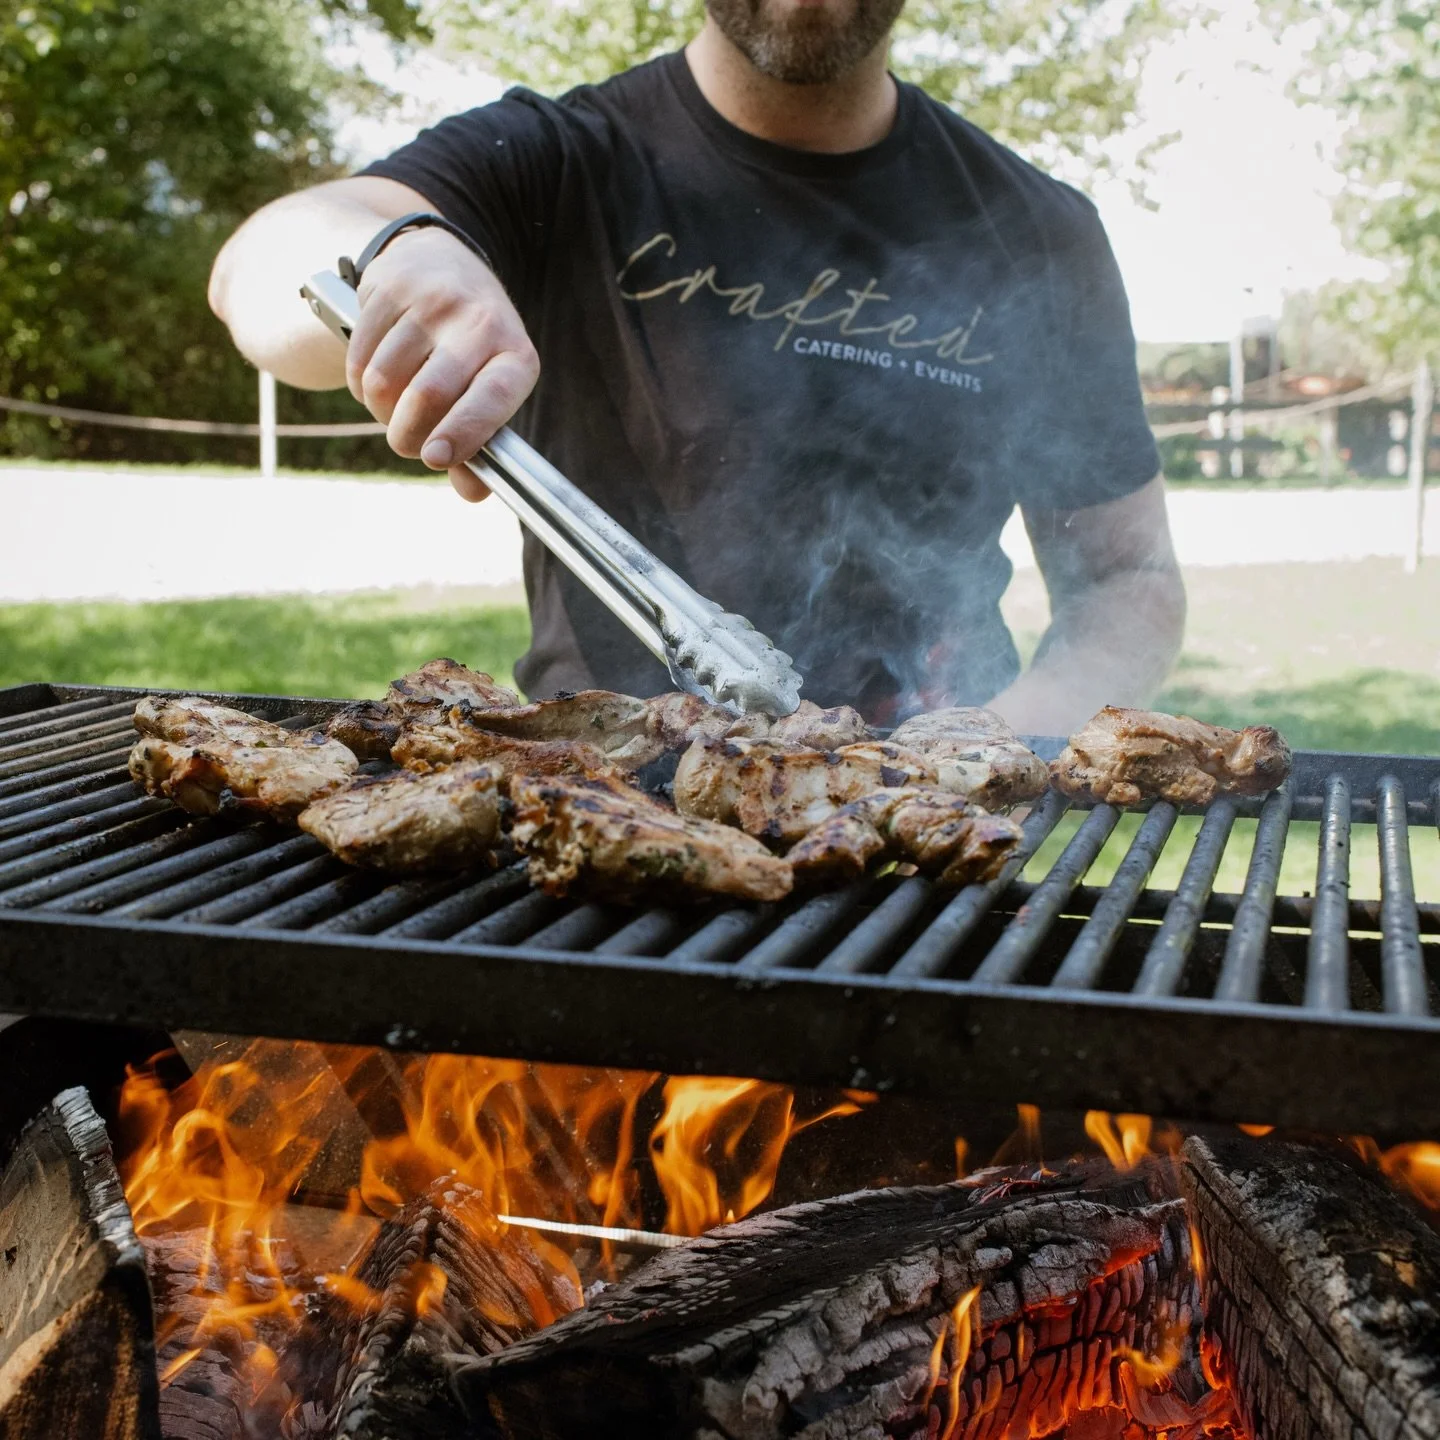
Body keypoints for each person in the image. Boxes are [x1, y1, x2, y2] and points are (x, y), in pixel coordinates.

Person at [209, 0, 1185, 731]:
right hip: (598, 815)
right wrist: (399, 253)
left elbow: (1125, 577)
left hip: (928, 849)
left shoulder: (1039, 232)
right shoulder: (562, 161)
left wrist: (995, 746)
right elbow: (265, 261)